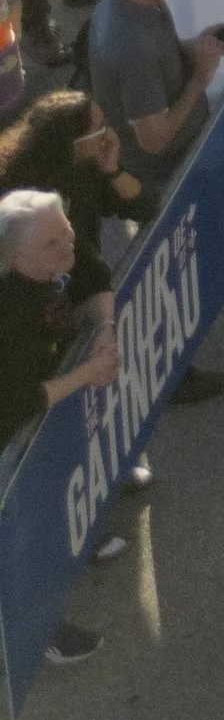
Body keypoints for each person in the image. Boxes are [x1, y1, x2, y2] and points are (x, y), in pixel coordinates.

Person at [0, 187, 122, 660]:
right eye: (52, 243)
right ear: (16, 258)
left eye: (66, 231)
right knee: (18, 538)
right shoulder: (9, 312)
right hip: (9, 432)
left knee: (53, 491)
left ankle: (76, 541)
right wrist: (87, 374)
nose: (68, 245)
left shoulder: (60, 264)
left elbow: (95, 276)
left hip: (32, 419)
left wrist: (105, 329)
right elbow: (14, 402)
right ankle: (36, 637)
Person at [84, 0, 224, 290]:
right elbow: (154, 141)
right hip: (170, 171)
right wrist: (200, 78)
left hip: (178, 153)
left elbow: (162, 56)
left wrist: (196, 48)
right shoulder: (132, 47)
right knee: (194, 260)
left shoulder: (132, 1)